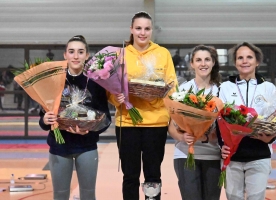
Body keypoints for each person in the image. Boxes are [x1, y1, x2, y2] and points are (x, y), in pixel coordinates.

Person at [108, 11, 177, 200]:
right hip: (127, 123)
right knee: (130, 175)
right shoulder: (119, 54)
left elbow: (172, 86)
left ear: (152, 31)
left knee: (153, 175)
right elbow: (110, 90)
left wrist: (157, 93)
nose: (142, 33)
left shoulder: (162, 54)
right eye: (138, 28)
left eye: (147, 29)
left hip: (156, 124)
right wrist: (117, 98)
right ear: (131, 29)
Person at [38, 35, 111, 200]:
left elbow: (105, 119)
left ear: (87, 55)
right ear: (65, 55)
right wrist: (46, 120)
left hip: (86, 146)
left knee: (88, 195)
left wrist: (89, 130)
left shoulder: (96, 82)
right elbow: (43, 119)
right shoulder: (53, 80)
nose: (76, 56)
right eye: (71, 51)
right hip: (59, 147)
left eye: (80, 52)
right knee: (60, 195)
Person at [218, 42, 276, 200]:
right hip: (232, 155)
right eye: (240, 58)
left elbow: (275, 120)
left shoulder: (269, 87)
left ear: (257, 61)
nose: (244, 61)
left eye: (249, 57)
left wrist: (272, 137)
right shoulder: (225, 87)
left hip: (259, 154)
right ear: (235, 62)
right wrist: (221, 145)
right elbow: (219, 120)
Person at [168, 45, 222, 200]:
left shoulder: (221, 91)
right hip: (186, 154)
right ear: (192, 64)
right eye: (198, 60)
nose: (203, 64)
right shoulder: (183, 90)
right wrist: (182, 138)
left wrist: (211, 135)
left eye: (207, 60)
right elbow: (171, 126)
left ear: (213, 63)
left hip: (213, 155)